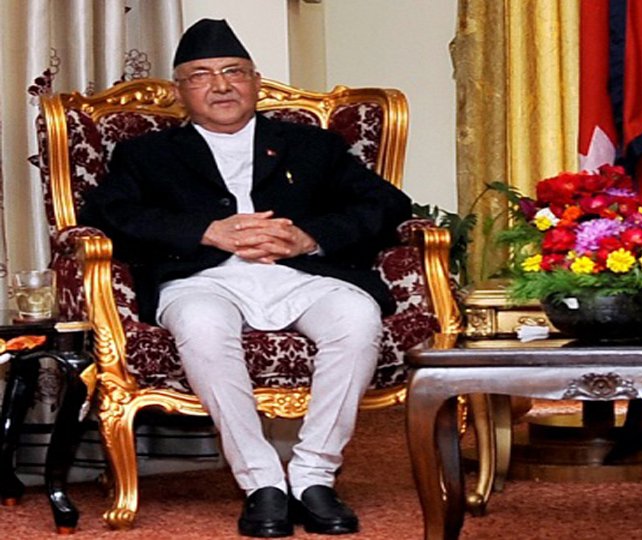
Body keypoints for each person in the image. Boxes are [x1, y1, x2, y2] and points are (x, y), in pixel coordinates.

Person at [80, 19, 412, 538]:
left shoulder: (312, 145)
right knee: (202, 326)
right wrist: (206, 231)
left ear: (256, 82)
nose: (220, 86)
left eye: (234, 72)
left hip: (300, 273)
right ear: (179, 91)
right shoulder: (146, 154)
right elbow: (108, 214)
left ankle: (314, 475)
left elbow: (388, 204)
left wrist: (308, 237)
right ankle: (262, 482)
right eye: (201, 76)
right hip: (202, 278)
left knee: (356, 317)